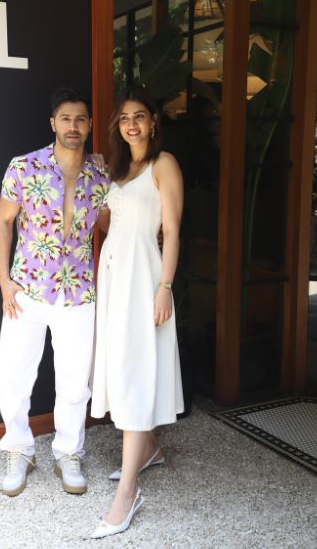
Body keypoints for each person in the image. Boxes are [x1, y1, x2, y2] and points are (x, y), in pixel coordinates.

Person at [0, 87, 110, 497]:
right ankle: (19, 450)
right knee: (13, 376)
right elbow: (3, 221)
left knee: (76, 382)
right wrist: (4, 281)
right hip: (27, 289)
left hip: (78, 292)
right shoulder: (24, 167)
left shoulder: (101, 177)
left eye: (80, 119)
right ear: (53, 123)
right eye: (66, 119)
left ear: (89, 125)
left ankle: (69, 453)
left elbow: (111, 226)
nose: (73, 126)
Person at [88, 86, 185, 538]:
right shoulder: (117, 169)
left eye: (139, 116)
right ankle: (149, 450)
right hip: (114, 276)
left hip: (145, 277)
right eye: (125, 117)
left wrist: (165, 288)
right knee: (122, 363)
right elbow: (109, 222)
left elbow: (172, 231)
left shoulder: (164, 164)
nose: (132, 124)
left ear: (153, 122)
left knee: (134, 369)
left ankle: (127, 494)